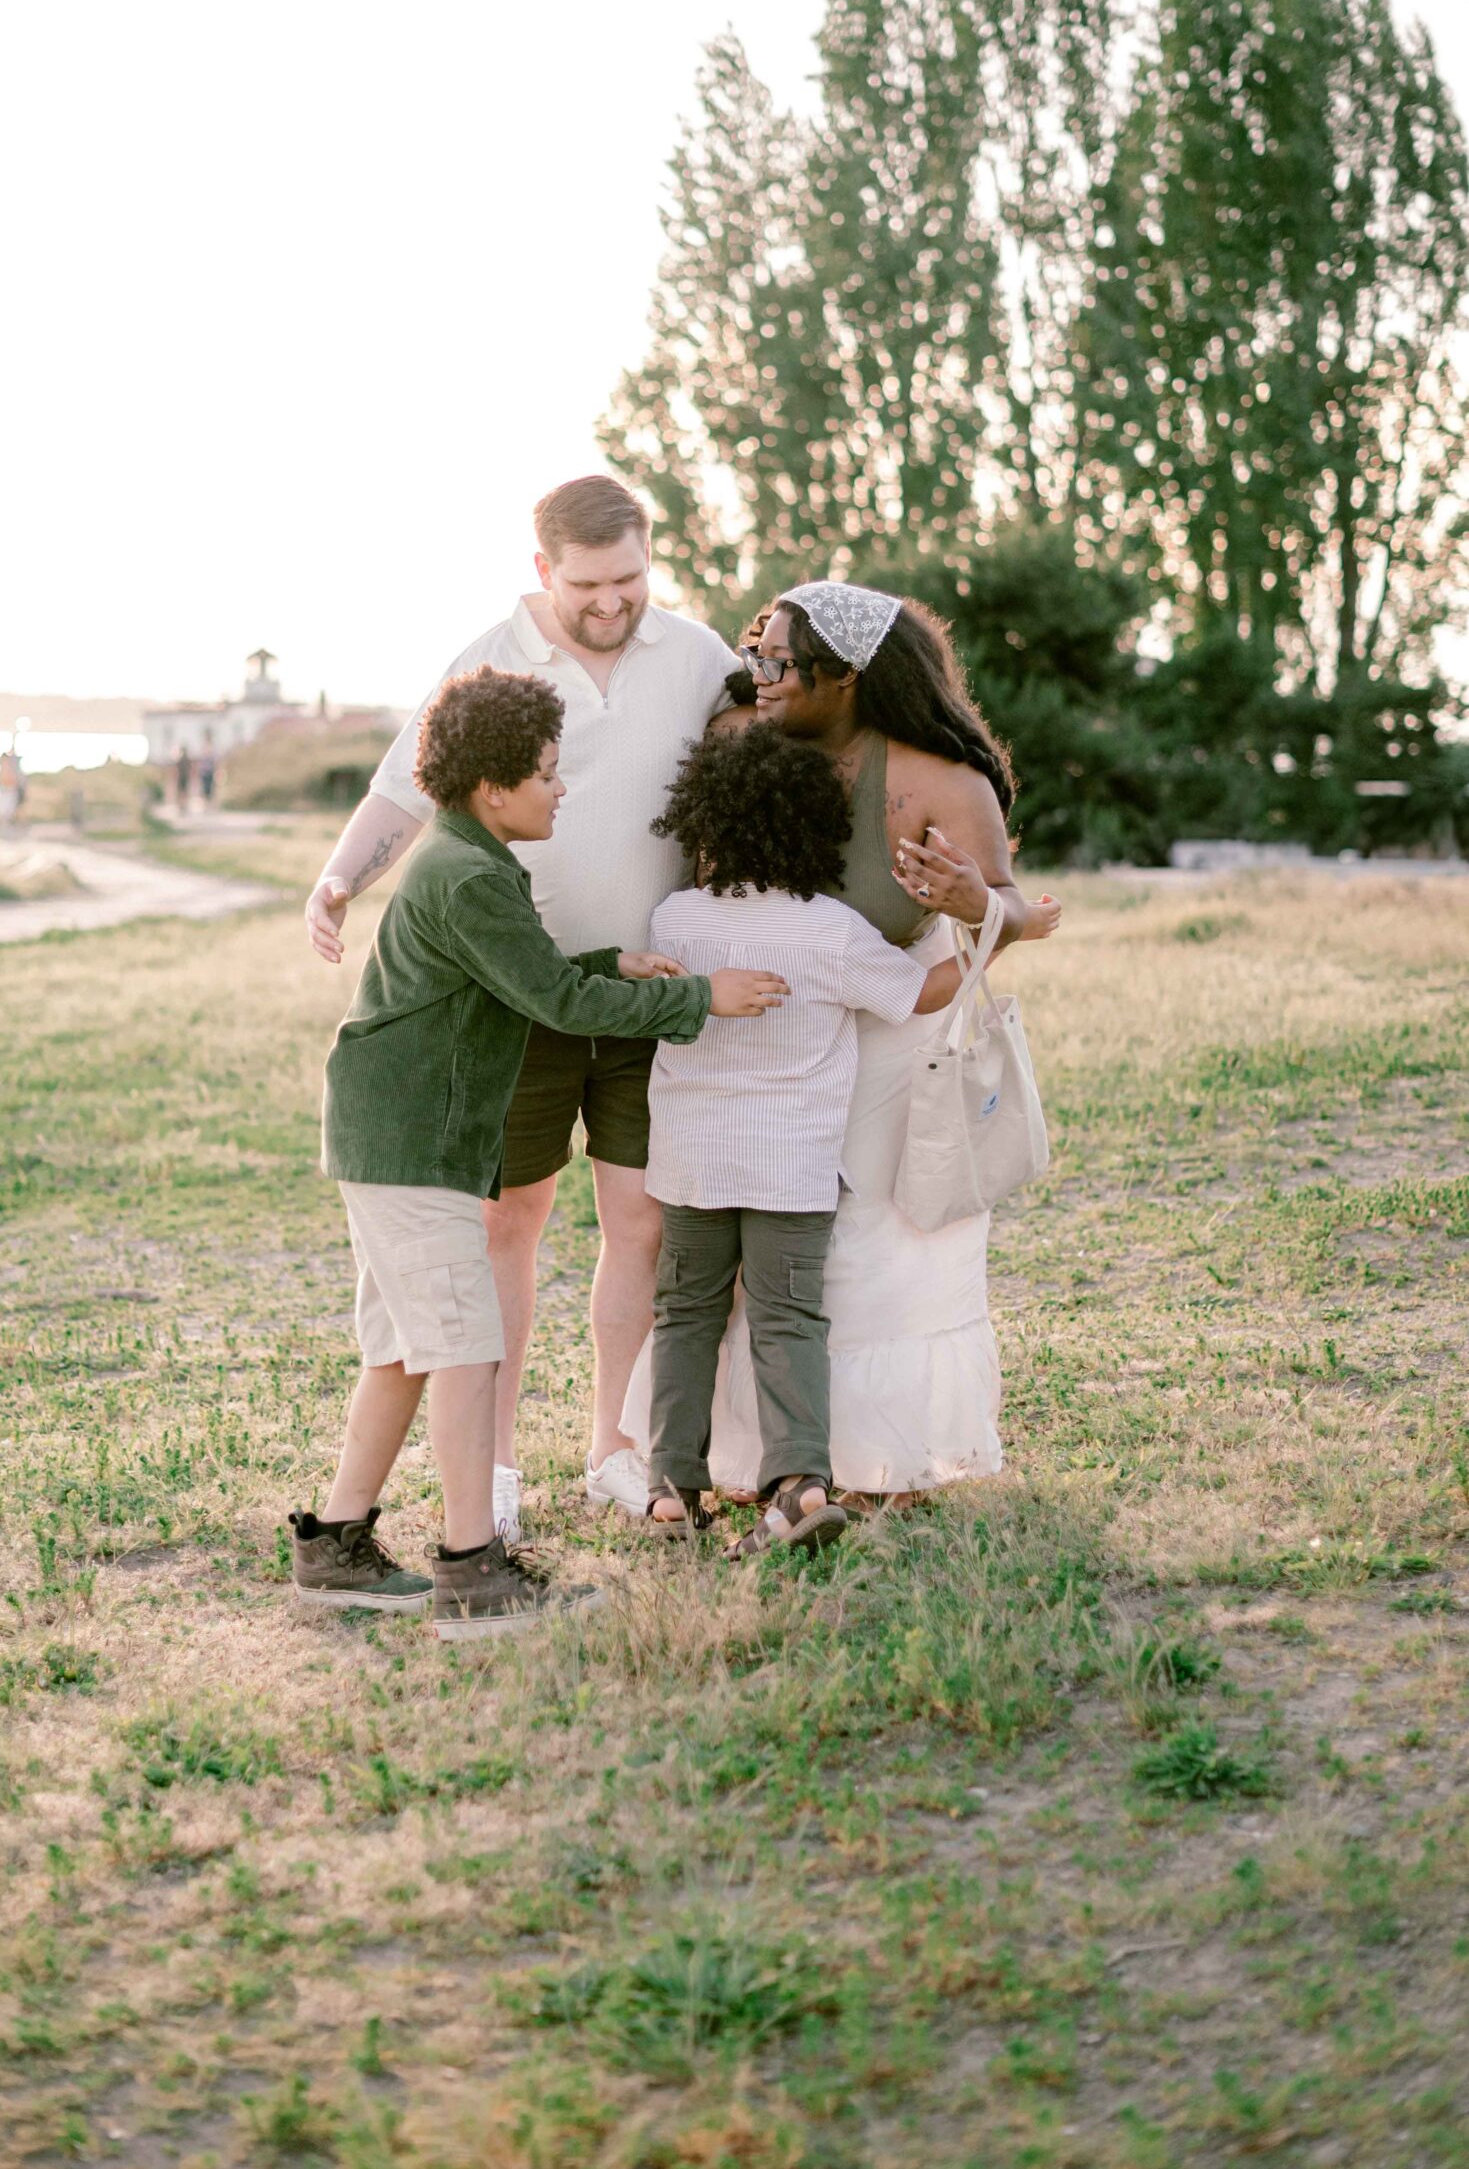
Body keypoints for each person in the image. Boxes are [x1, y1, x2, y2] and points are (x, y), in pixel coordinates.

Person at [293, 665, 787, 1642]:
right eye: (550, 773)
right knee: (464, 1346)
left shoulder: (472, 862)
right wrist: (698, 997)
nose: (562, 790)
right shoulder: (467, 875)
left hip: (398, 1133)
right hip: (411, 1141)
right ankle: (472, 1571)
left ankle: (336, 1545)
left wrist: (613, 964)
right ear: (493, 788)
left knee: (402, 1347)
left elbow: (542, 979)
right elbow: (556, 1007)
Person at [303, 476, 740, 1540]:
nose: (610, 602)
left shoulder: (695, 655)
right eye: (588, 583)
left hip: (642, 984)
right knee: (509, 1221)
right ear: (543, 570)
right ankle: (489, 1468)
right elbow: (407, 787)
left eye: (629, 578)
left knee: (640, 1221)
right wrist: (336, 880)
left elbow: (758, 771)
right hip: (522, 998)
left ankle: (614, 1447)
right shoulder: (487, 656)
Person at [623, 580, 1060, 1503]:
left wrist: (982, 906)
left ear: (847, 676)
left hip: (895, 1033)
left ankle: (879, 1460)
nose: (759, 677)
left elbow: (1008, 906)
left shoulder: (940, 778)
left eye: (779, 663)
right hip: (766, 1037)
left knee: (877, 1251)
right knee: (759, 1278)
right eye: (757, 655)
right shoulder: (739, 742)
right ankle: (755, 1462)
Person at [639, 724, 962, 1558]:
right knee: (787, 1320)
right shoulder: (831, 930)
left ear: (702, 820)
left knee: (685, 1313)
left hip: (691, 1160)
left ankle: (673, 1486)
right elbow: (920, 994)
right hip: (791, 1167)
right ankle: (799, 1482)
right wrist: (1000, 933)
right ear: (816, 826)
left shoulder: (673, 919)